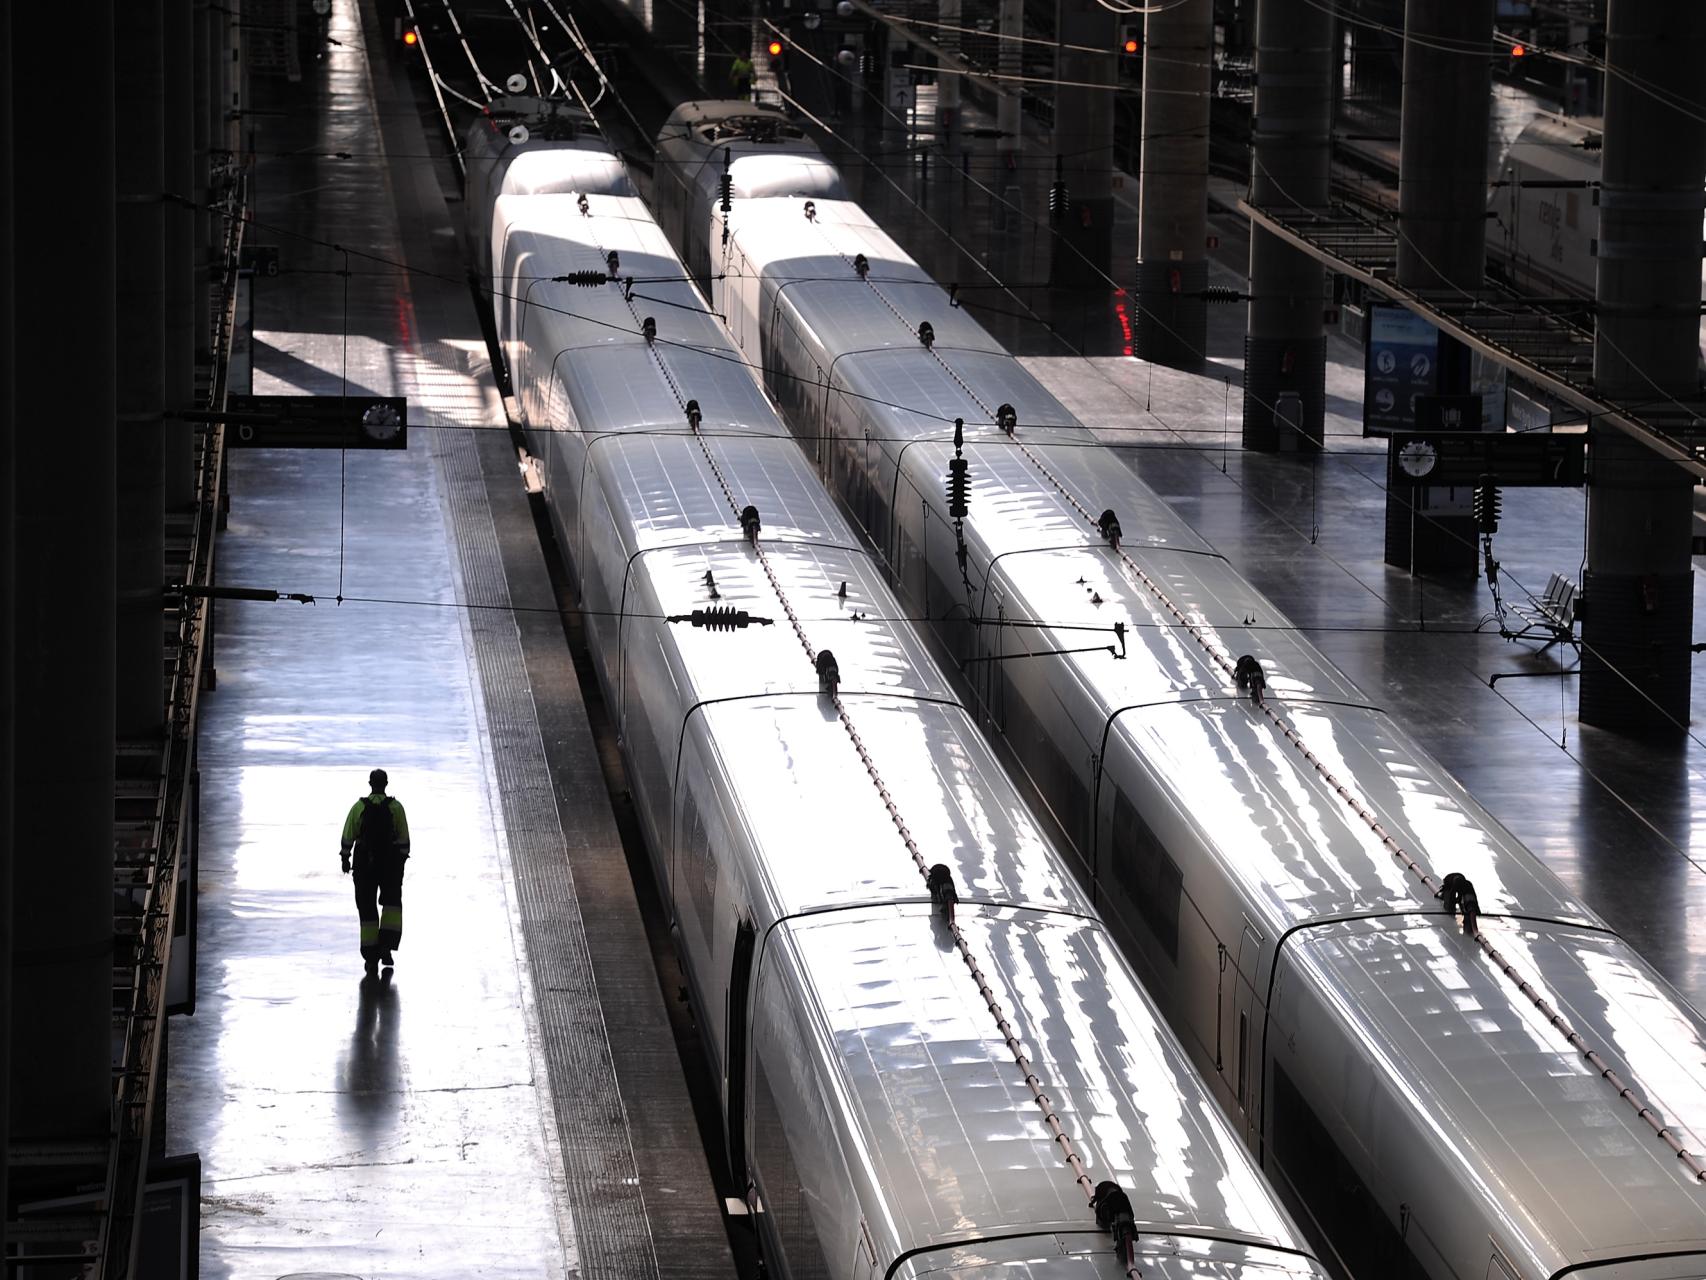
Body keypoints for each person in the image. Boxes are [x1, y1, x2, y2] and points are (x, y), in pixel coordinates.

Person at [338, 769, 411, 977]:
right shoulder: (396, 808)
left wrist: (345, 858)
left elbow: (347, 835)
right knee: (391, 906)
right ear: (386, 784)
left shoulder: (359, 807)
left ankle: (370, 958)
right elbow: (404, 841)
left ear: (370, 784)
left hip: (364, 864)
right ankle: (386, 948)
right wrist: (400, 864)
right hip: (389, 864)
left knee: (367, 908)